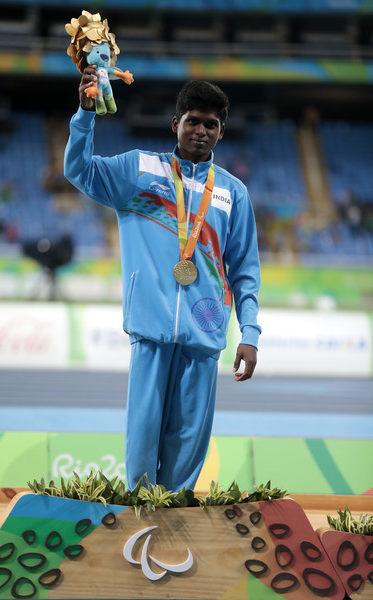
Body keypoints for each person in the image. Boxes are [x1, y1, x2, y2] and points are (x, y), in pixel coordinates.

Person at [64, 71, 261, 492]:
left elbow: (245, 270)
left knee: (188, 443)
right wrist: (85, 113)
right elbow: (78, 169)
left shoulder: (232, 193)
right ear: (176, 124)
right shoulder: (139, 170)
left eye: (211, 124)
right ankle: (138, 521)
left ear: (221, 132)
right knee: (142, 439)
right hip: (150, 330)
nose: (201, 131)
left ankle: (175, 526)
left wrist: (250, 332)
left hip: (205, 333)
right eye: (193, 120)